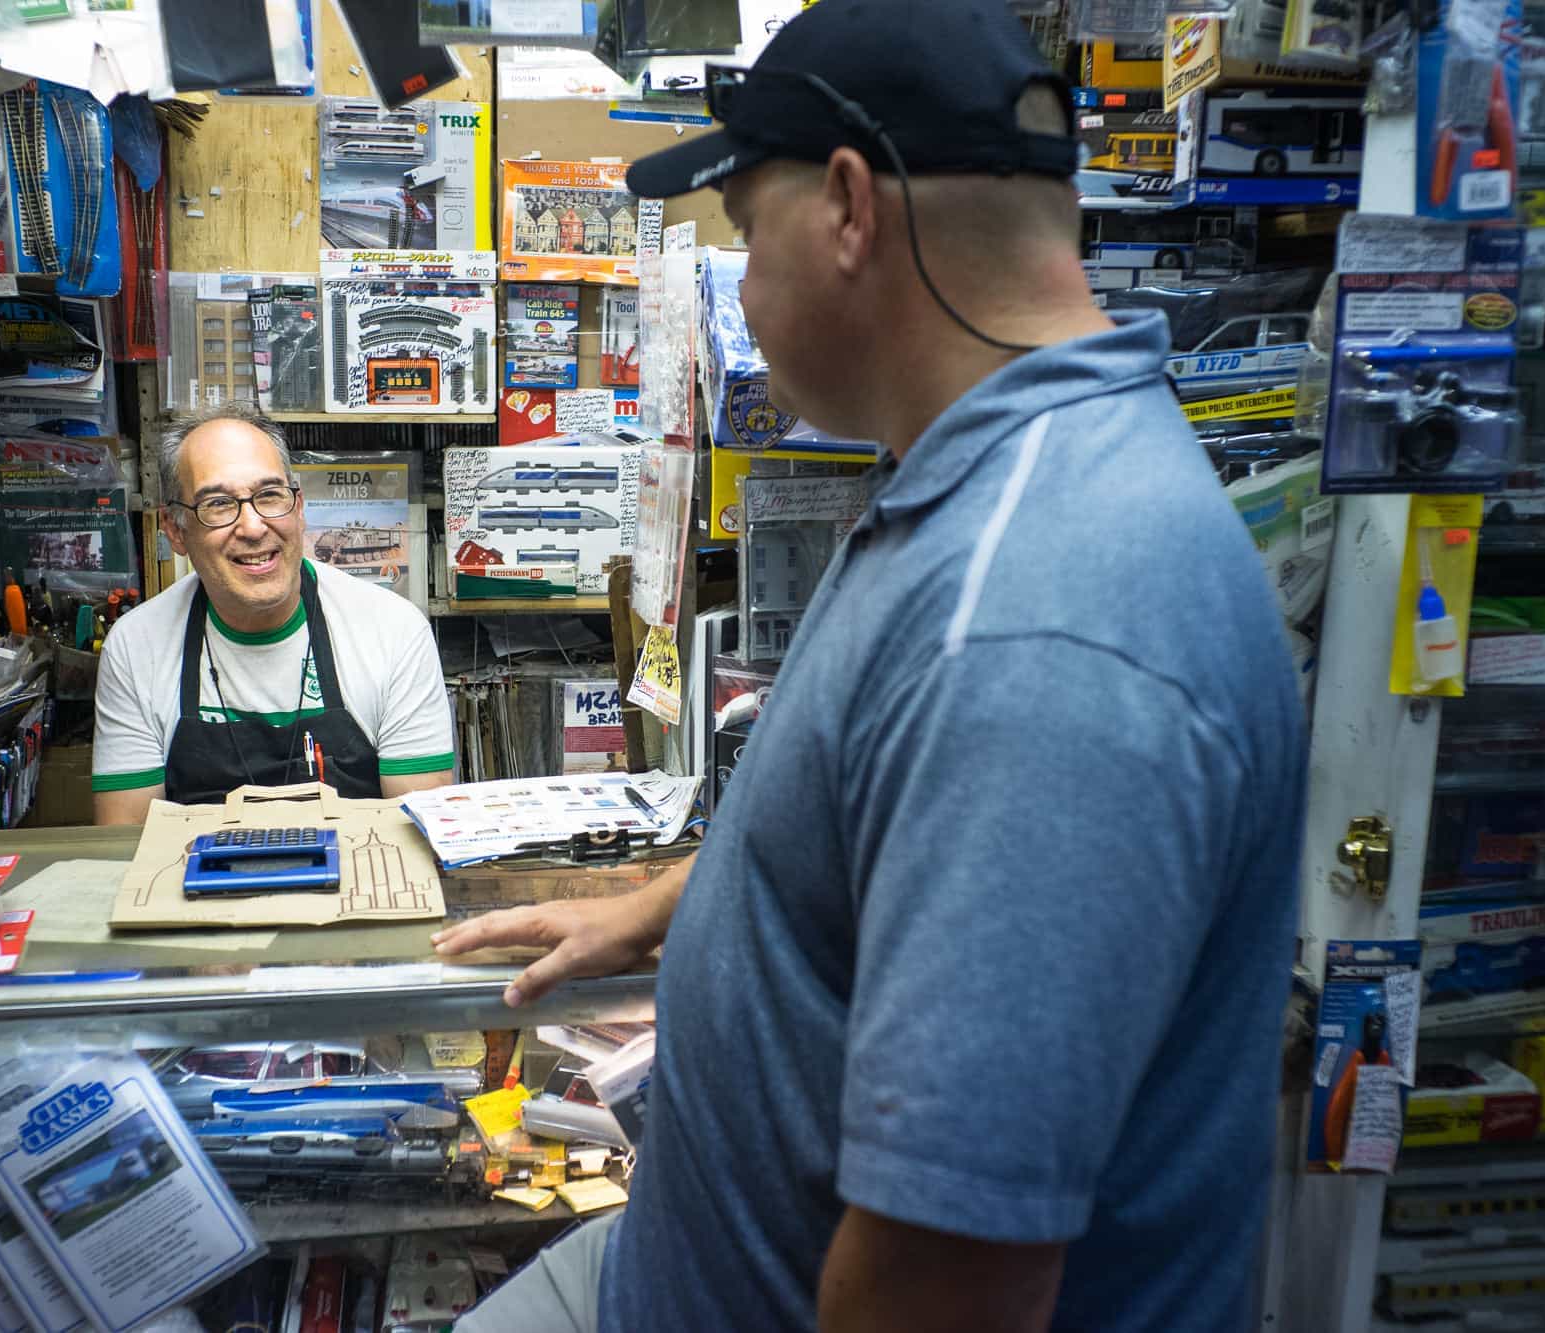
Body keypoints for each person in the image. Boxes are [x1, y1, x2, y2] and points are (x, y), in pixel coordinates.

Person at [436, 1, 1306, 1329]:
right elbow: (894, 805)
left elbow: (947, 1283)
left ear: (848, 207)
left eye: (739, 229)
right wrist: (698, 893)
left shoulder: (1041, 625)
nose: (740, 282)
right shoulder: (989, 477)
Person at [92, 404, 454, 818]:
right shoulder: (135, 647)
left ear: (298, 510)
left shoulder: (394, 631)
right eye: (219, 503)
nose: (252, 527)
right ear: (175, 530)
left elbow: (420, 829)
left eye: (269, 496)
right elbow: (126, 840)